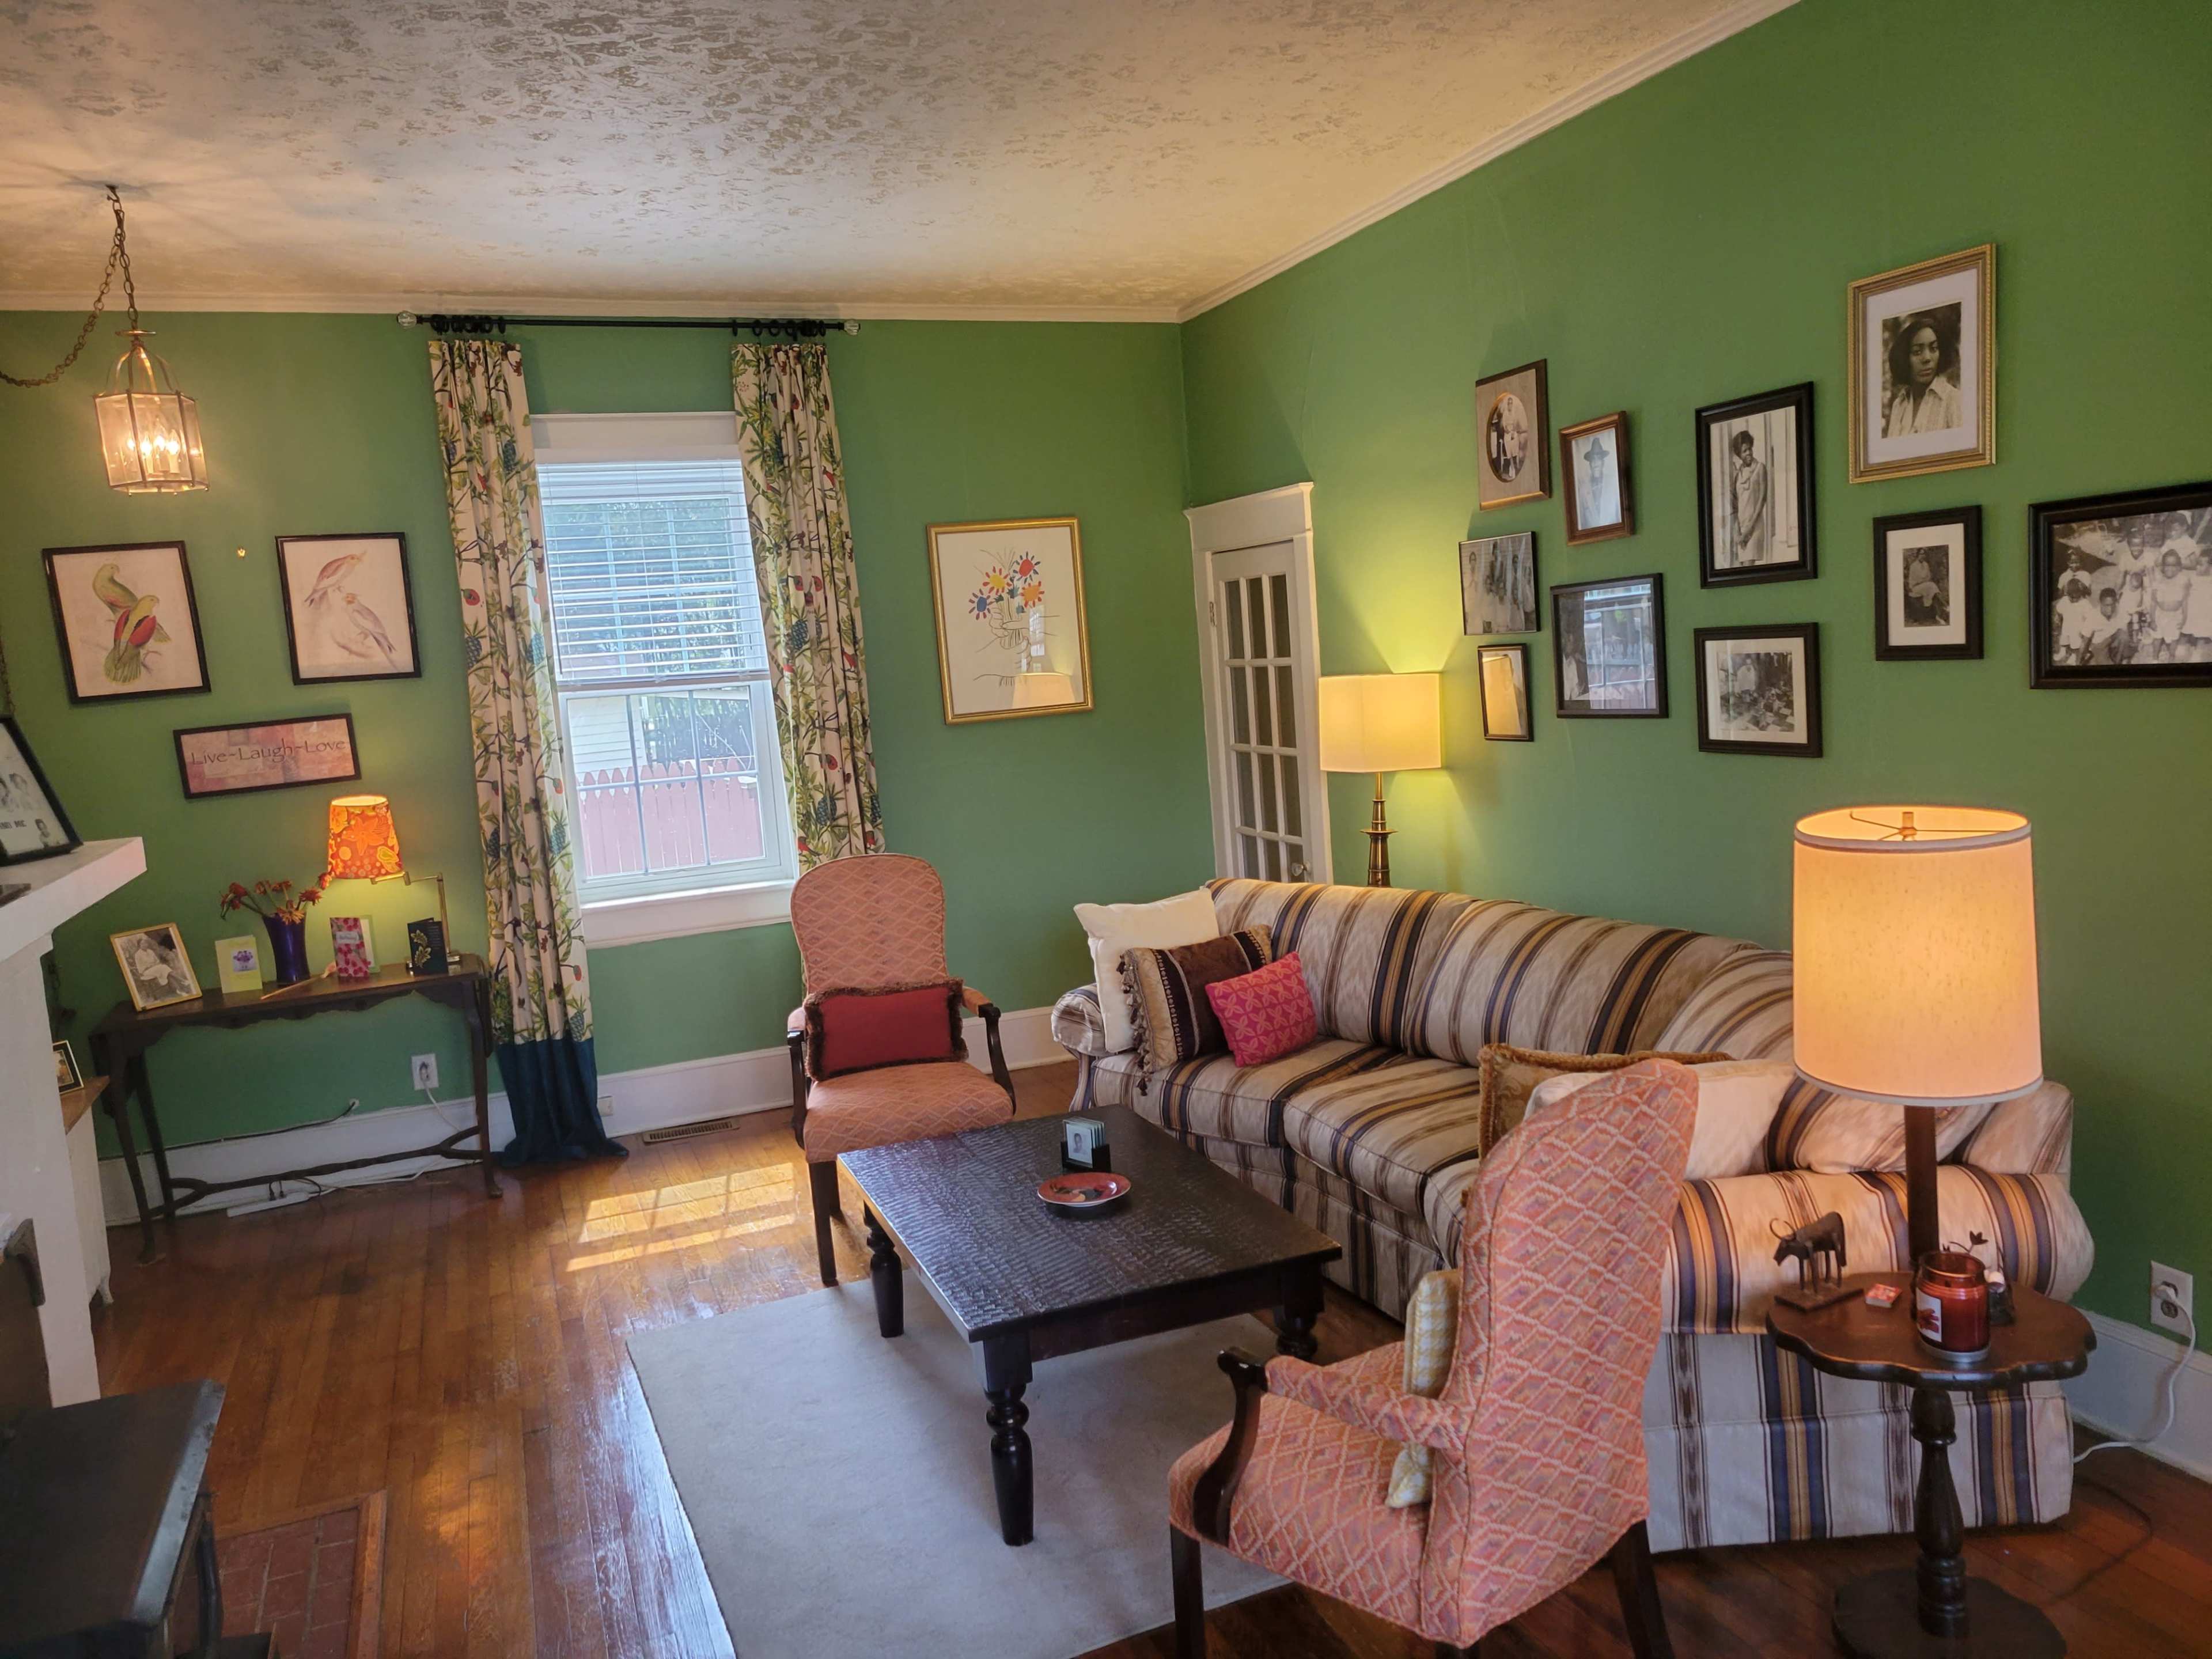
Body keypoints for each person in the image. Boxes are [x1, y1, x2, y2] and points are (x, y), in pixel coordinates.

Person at [1883, 310, 1965, 437]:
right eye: (1917, 352)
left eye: (1934, 349)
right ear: (1904, 358)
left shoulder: (1954, 400)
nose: (1927, 358)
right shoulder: (1899, 405)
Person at [1726, 430, 1771, 566]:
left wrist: (1749, 529)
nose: (1749, 453)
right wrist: (1737, 532)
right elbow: (1734, 506)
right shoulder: (1737, 475)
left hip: (1755, 526)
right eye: (1744, 451)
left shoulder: (1760, 468)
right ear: (1739, 454)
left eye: (1750, 449)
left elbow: (1762, 500)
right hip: (1741, 529)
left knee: (1748, 567)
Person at [2148, 548, 2192, 661]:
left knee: (2174, 639)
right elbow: (2153, 602)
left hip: (2176, 616)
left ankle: (2171, 656)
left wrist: (2184, 619)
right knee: (2157, 637)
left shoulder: (2183, 581)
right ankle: (2155, 658)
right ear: (2162, 567)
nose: (2170, 569)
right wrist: (2152, 620)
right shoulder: (2158, 582)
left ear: (2179, 567)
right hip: (2160, 615)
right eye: (2167, 565)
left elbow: (2185, 601)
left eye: (2174, 566)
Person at [1576, 433, 1619, 528]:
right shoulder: (1583, 489)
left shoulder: (1614, 483)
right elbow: (1581, 523)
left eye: (1598, 459)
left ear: (1603, 463)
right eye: (1593, 460)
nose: (1596, 463)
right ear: (1590, 465)